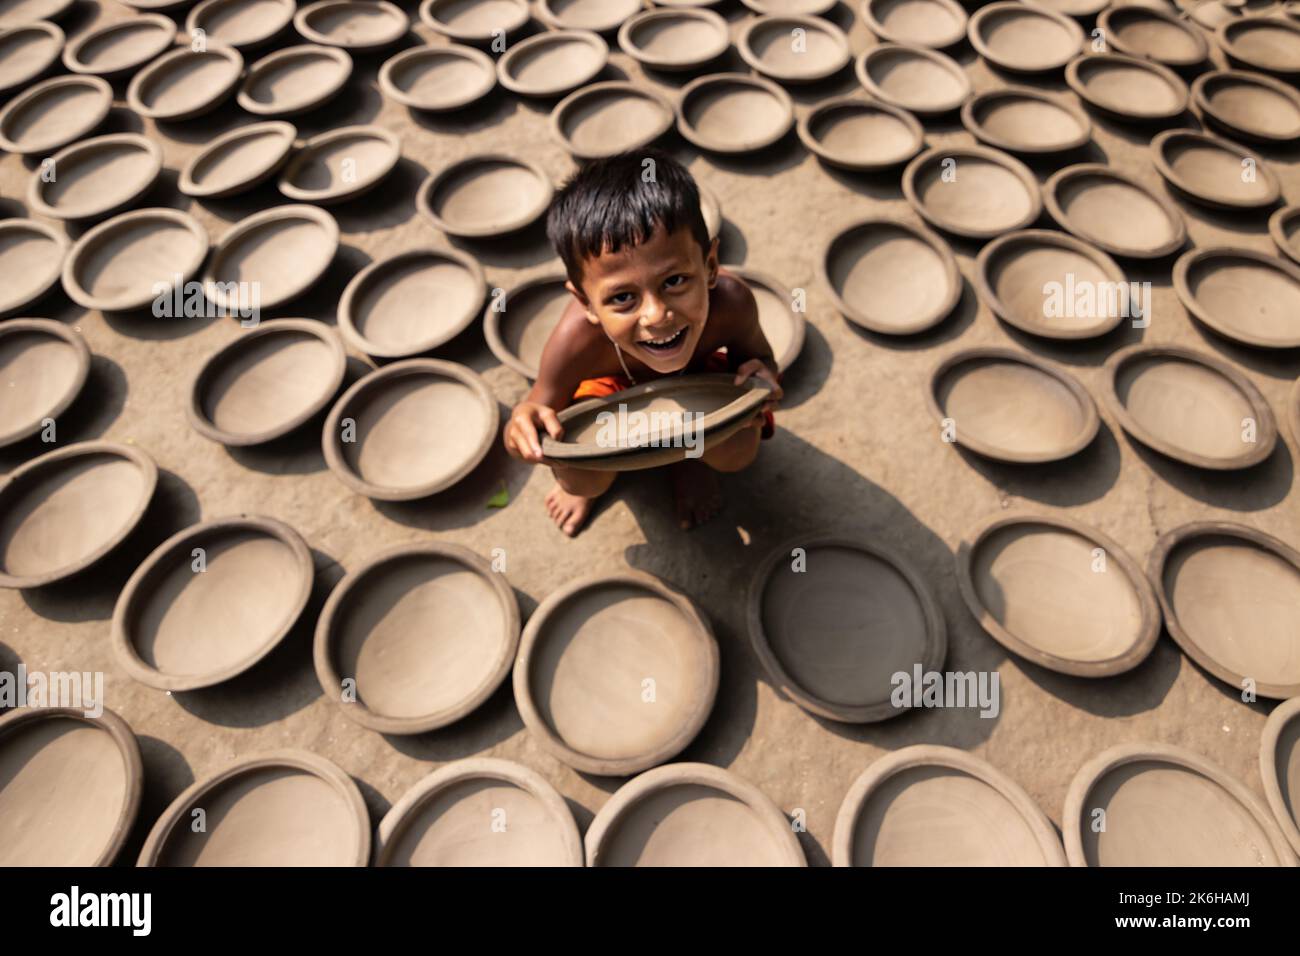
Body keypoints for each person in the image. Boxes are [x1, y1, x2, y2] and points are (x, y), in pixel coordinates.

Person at [503, 149, 782, 536]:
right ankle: (596, 479)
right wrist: (524, 433)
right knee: (579, 474)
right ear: (585, 302)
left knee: (739, 449)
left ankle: (688, 462)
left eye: (674, 282)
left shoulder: (731, 305)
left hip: (702, 387)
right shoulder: (578, 342)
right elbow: (537, 408)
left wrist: (763, 377)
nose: (656, 315)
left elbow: (761, 359)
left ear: (711, 266)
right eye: (622, 298)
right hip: (613, 401)